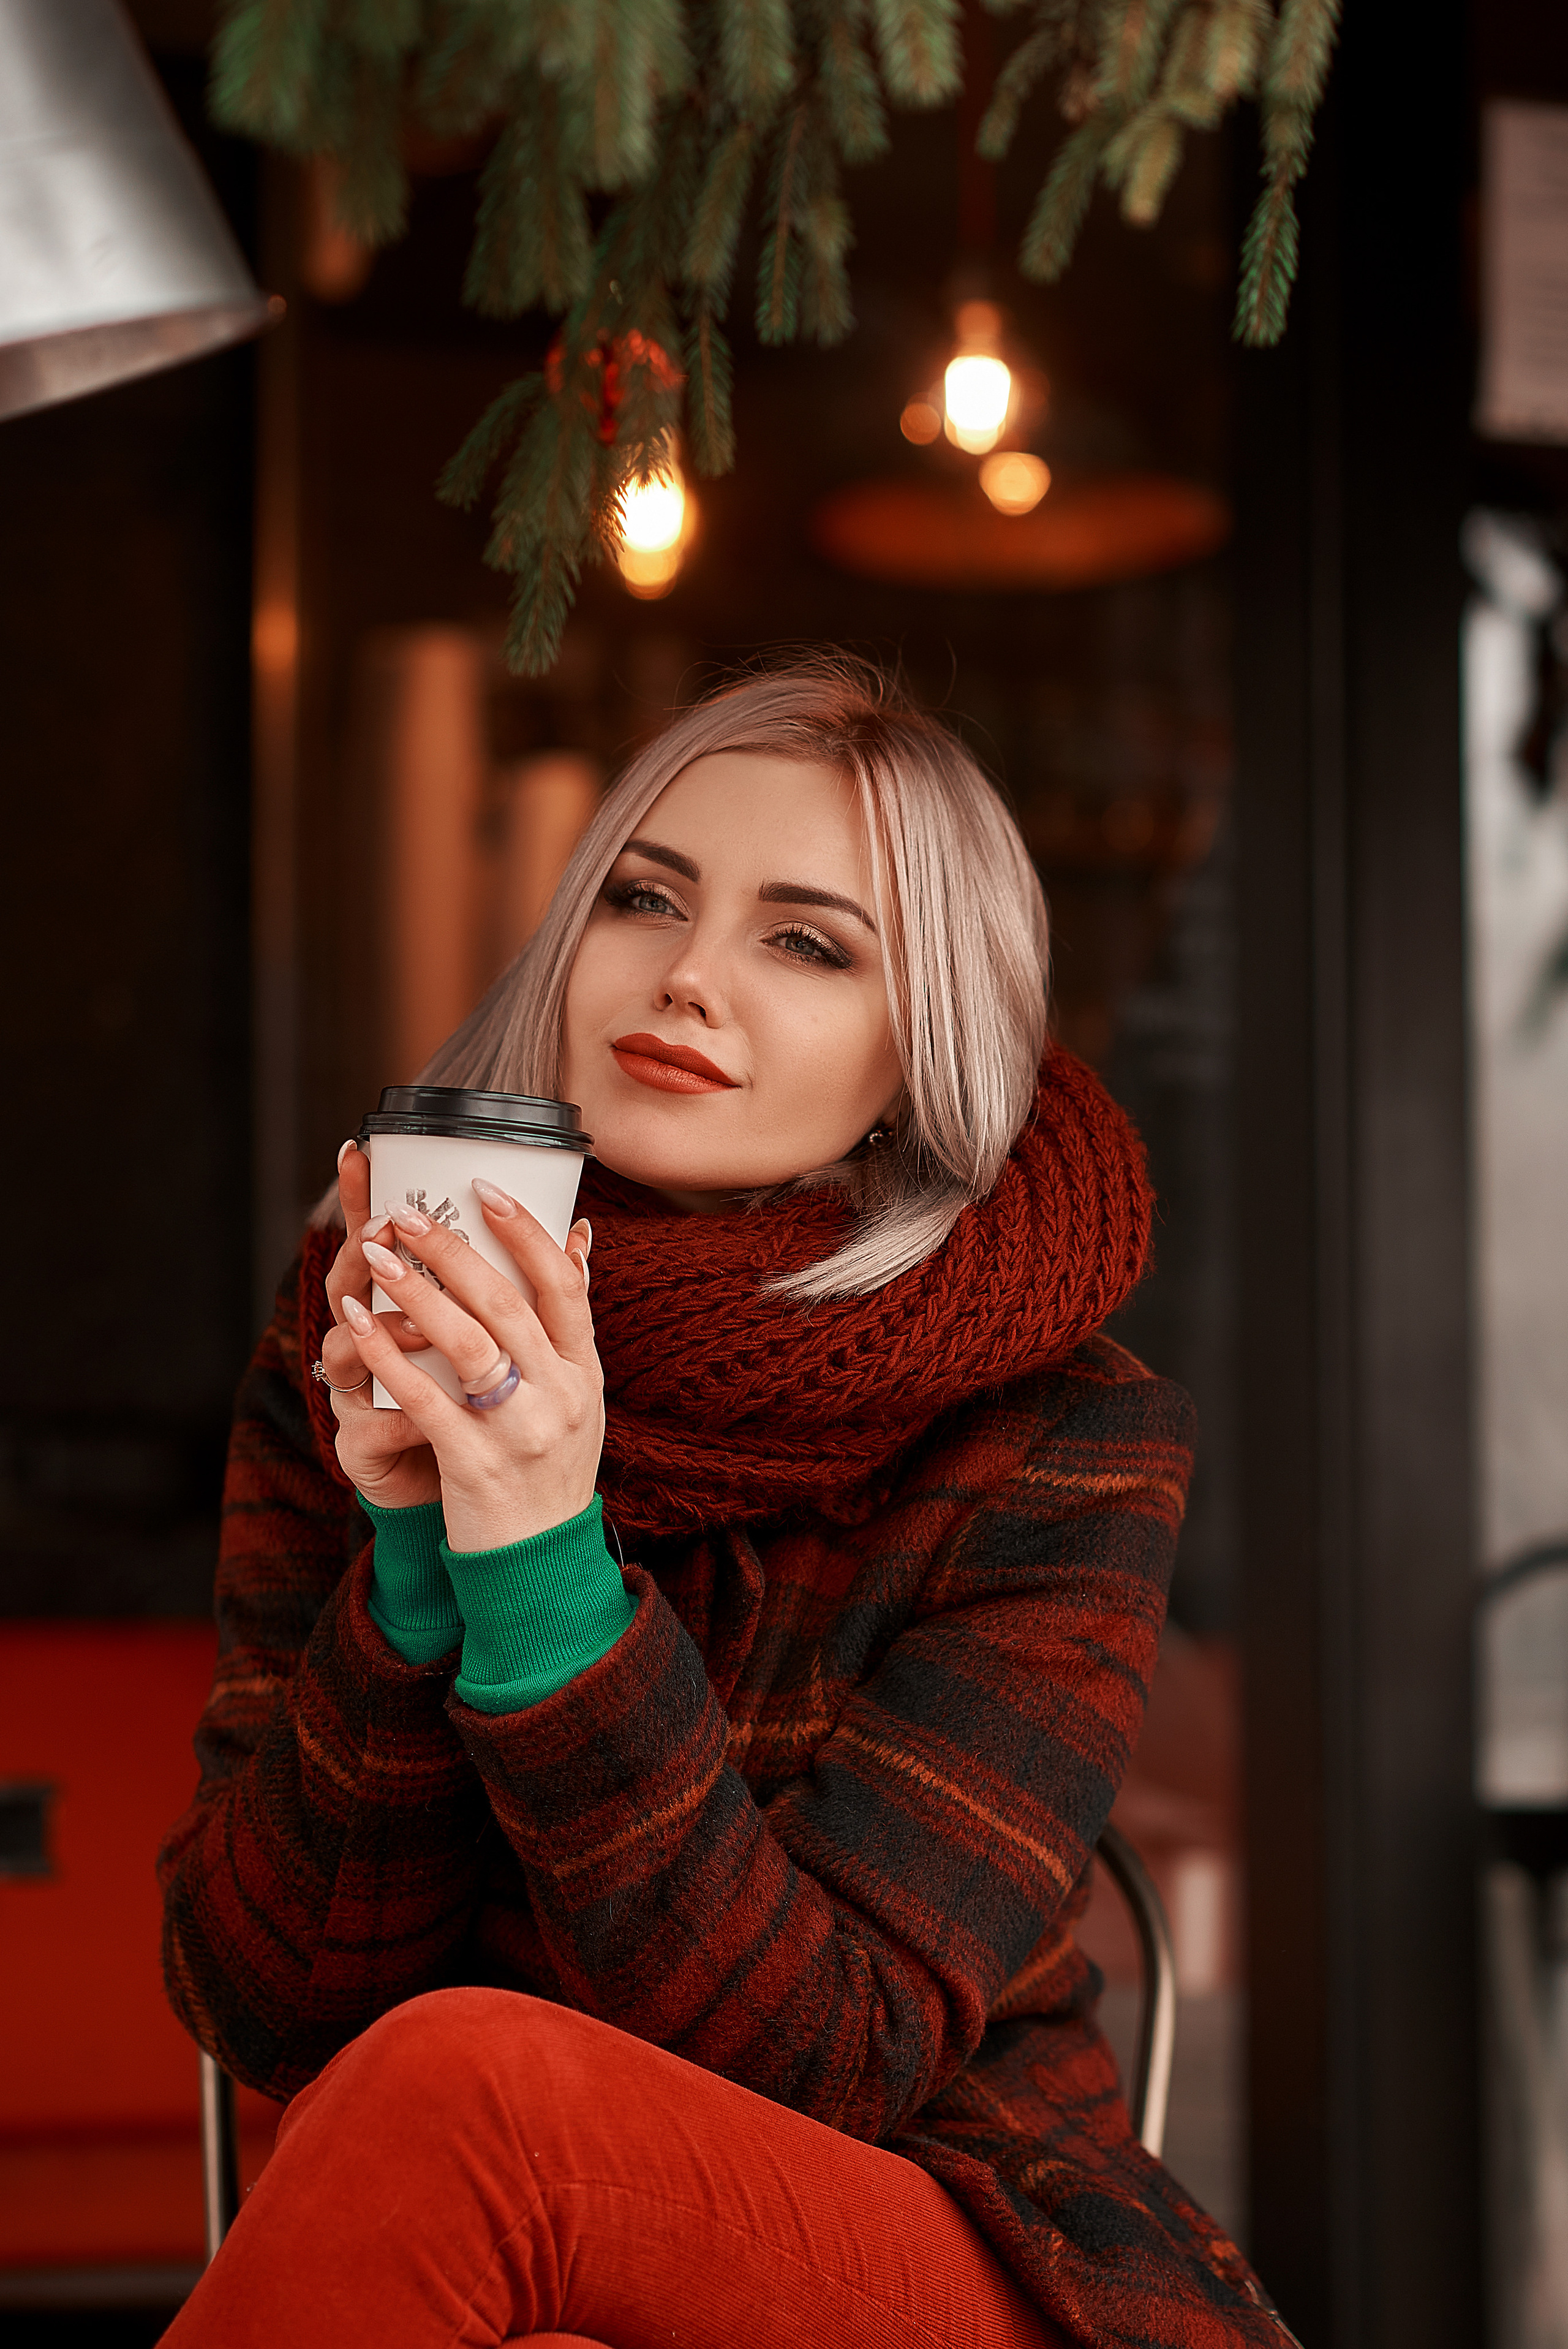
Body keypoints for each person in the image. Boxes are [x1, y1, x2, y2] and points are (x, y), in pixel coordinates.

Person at [158, 659, 1286, 2348]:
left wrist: (542, 1564)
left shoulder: (1063, 1439)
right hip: (491, 2238)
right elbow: (263, 2000)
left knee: (468, 2087)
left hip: (936, 2227)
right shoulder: (371, 1305)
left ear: (921, 1054)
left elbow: (832, 2062)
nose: (686, 976)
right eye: (644, 896)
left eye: (806, 939)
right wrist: (410, 1566)